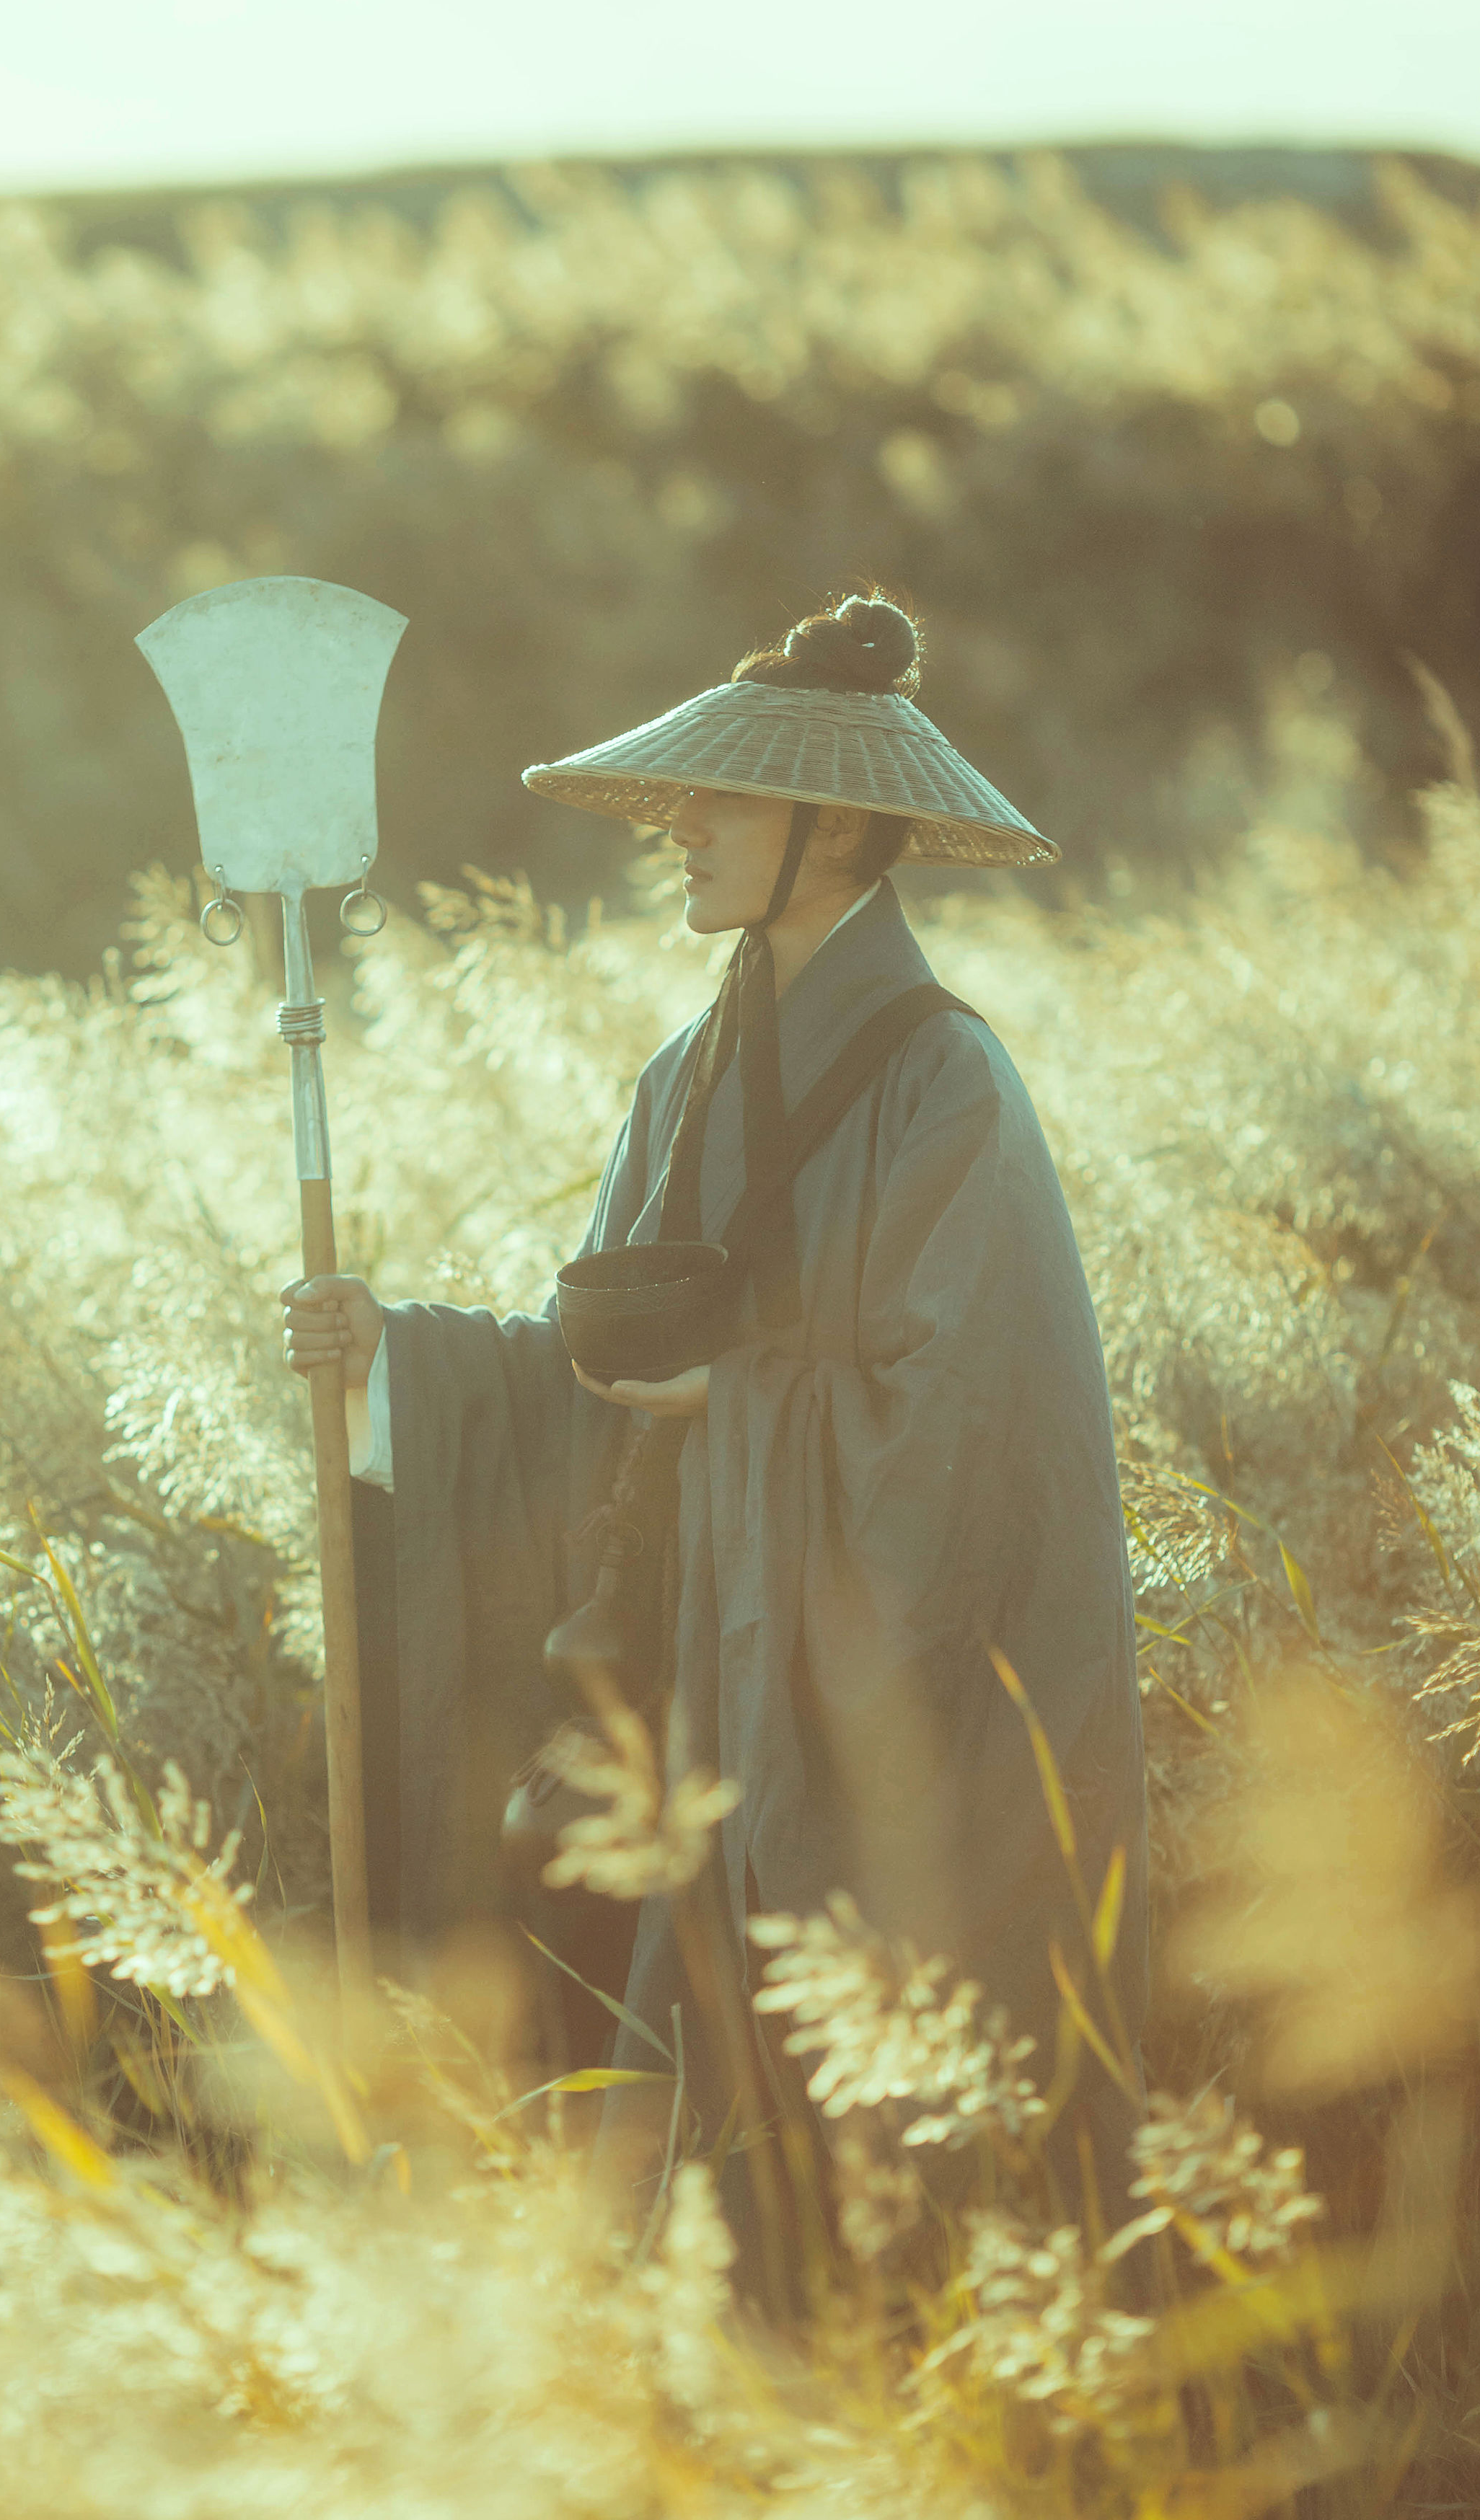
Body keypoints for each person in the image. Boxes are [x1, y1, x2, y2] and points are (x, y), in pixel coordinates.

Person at [282, 591, 1147, 2225]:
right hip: (682, 1682)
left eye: (722, 798)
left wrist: (734, 1398)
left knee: (864, 2163)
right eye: (685, 795)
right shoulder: (684, 1077)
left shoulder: (951, 1084)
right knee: (653, 2148)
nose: (674, 826)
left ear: (838, 830)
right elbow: (594, 1379)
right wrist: (391, 1360)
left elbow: (964, 1436)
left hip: (856, 1724)